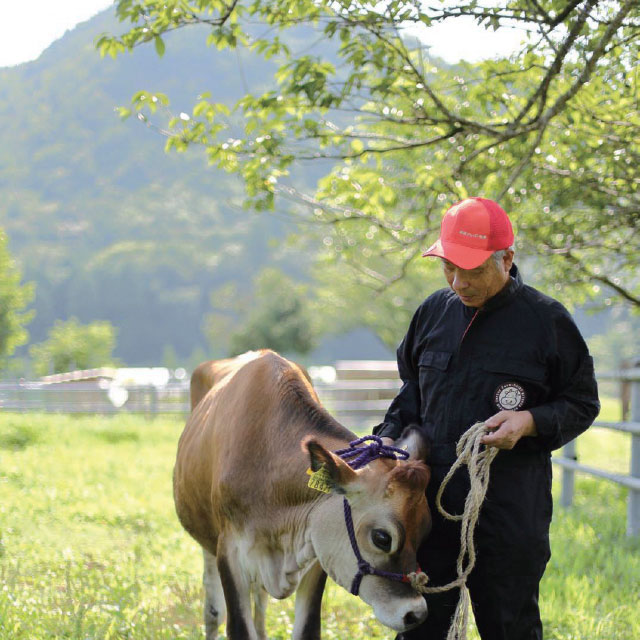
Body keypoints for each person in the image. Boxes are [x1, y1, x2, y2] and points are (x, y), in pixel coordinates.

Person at [372, 197, 600, 640]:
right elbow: (409, 399)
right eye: (449, 268)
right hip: (428, 514)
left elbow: (582, 401)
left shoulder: (547, 322)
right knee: (419, 630)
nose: (458, 282)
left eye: (472, 271)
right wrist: (384, 445)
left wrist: (530, 421)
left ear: (507, 259)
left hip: (508, 511)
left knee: (510, 627)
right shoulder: (432, 314)